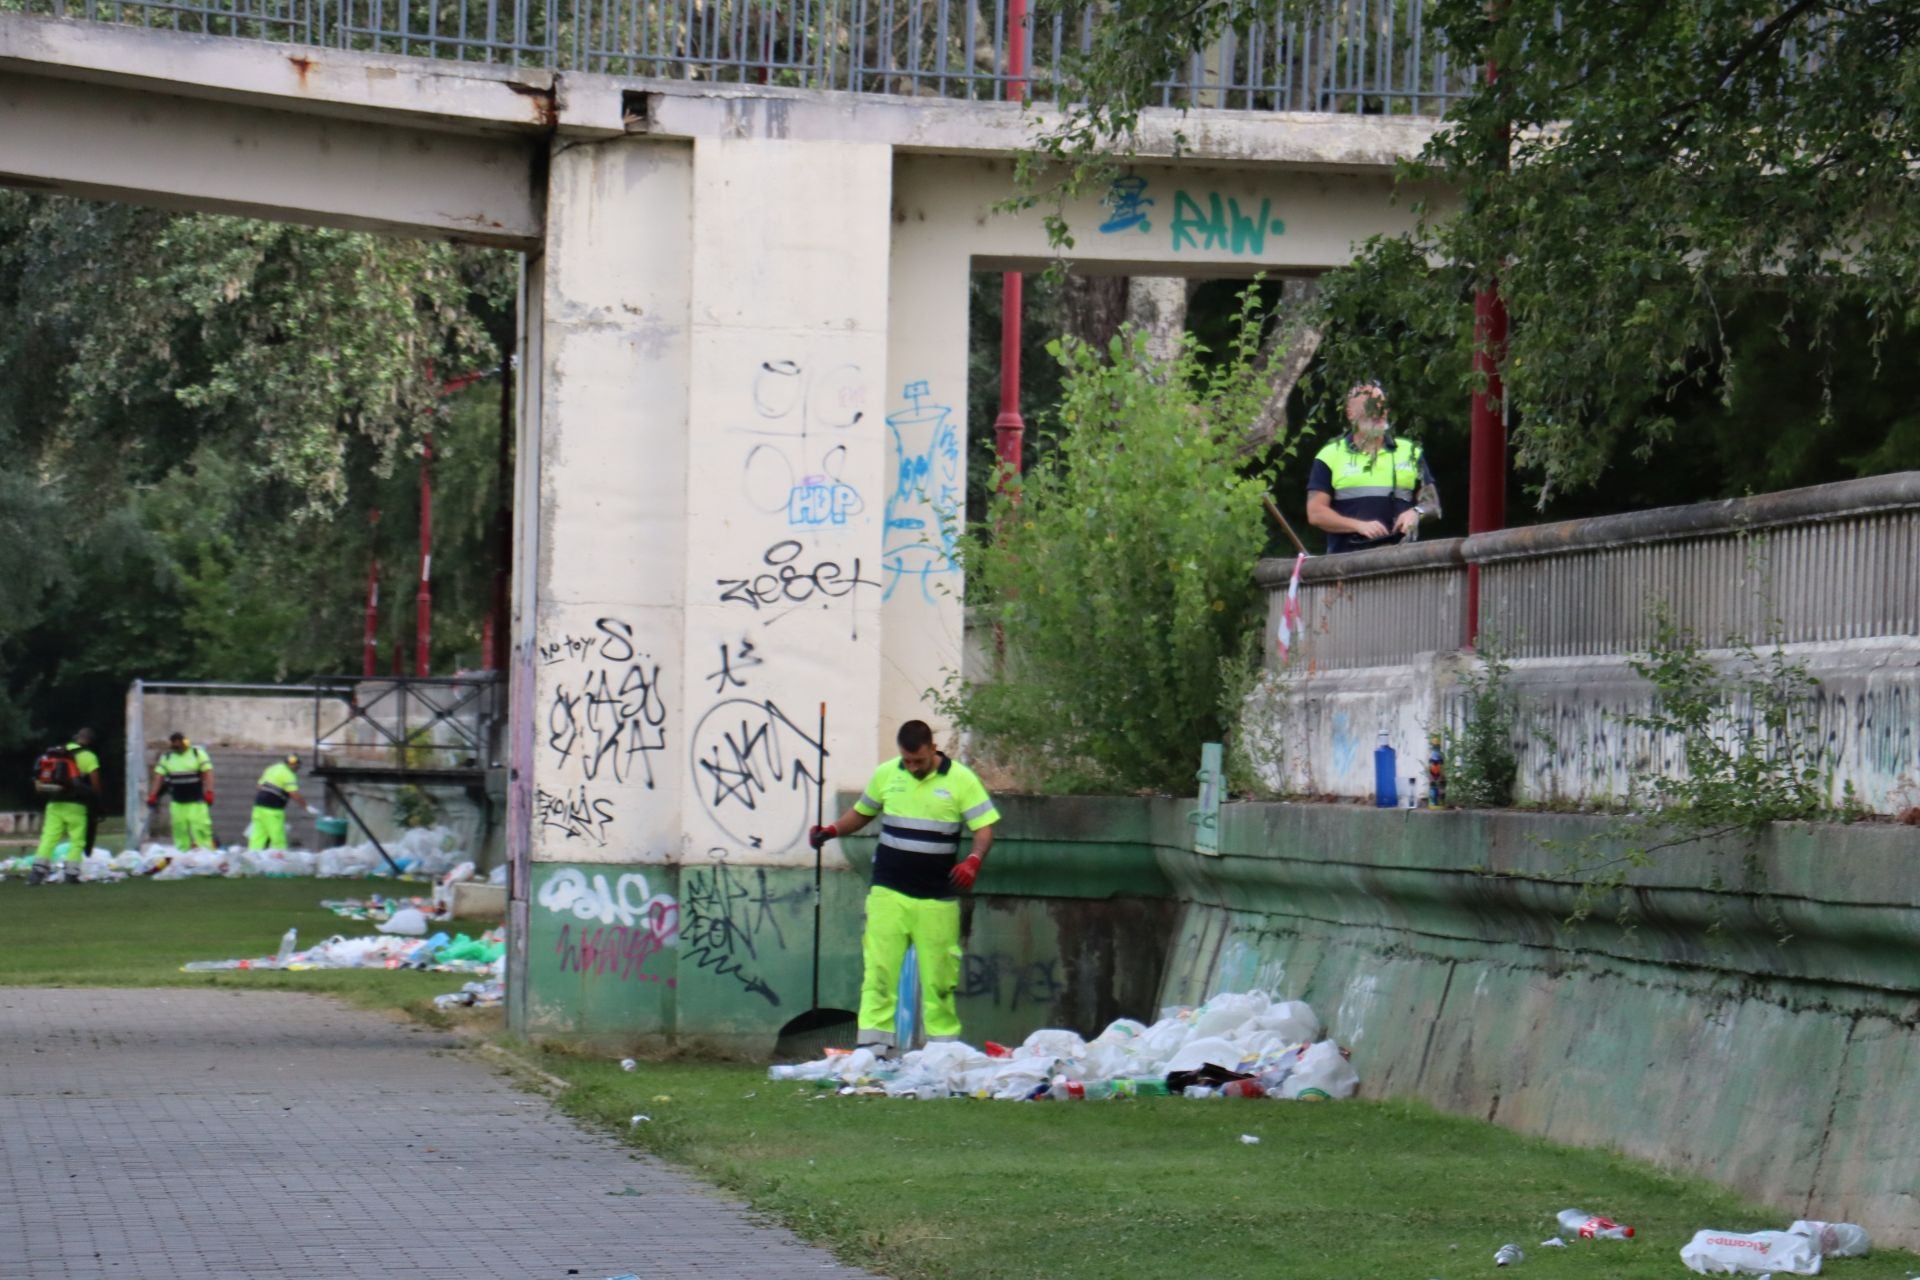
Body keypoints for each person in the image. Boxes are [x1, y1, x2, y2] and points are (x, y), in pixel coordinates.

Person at [808, 720, 1000, 1057]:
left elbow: (984, 827)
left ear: (932, 748)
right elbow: (861, 814)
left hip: (936, 896)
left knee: (939, 980)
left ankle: (943, 1051)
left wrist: (973, 859)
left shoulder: (961, 780)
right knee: (879, 970)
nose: (912, 768)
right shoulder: (886, 775)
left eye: (919, 761)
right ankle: (874, 1047)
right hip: (888, 891)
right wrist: (831, 830)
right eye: (907, 761)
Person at [1305, 381, 1440, 553]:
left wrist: (1416, 512)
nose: (1378, 411)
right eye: (1369, 406)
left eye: (1382, 405)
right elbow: (1316, 513)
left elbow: (1433, 505)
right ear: (1350, 413)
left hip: (1402, 562)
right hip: (1347, 565)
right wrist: (1358, 526)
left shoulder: (1410, 452)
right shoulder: (1330, 455)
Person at [30, 728, 102, 885]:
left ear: (75, 738)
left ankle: (37, 872)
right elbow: (95, 784)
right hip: (76, 805)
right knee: (77, 840)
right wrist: (95, 799)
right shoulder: (89, 756)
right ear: (90, 741)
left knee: (49, 837)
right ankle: (71, 873)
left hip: (54, 803)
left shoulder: (58, 752)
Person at [147, 731, 215, 850]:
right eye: (175, 744)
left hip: (196, 801)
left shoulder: (197, 754)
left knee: (201, 828)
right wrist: (153, 795)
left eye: (179, 743)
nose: (177, 747)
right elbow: (159, 777)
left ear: (185, 742)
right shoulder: (167, 758)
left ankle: (205, 853)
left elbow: (208, 772)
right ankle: (183, 854)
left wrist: (209, 791)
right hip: (178, 802)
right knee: (179, 830)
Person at [248, 754, 318, 851]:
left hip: (258, 807)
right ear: (296, 765)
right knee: (278, 839)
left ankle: (252, 858)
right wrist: (306, 807)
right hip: (273, 810)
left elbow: (259, 786)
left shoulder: (272, 768)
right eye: (296, 766)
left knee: (258, 837)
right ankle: (280, 862)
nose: (296, 769)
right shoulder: (289, 775)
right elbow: (293, 793)